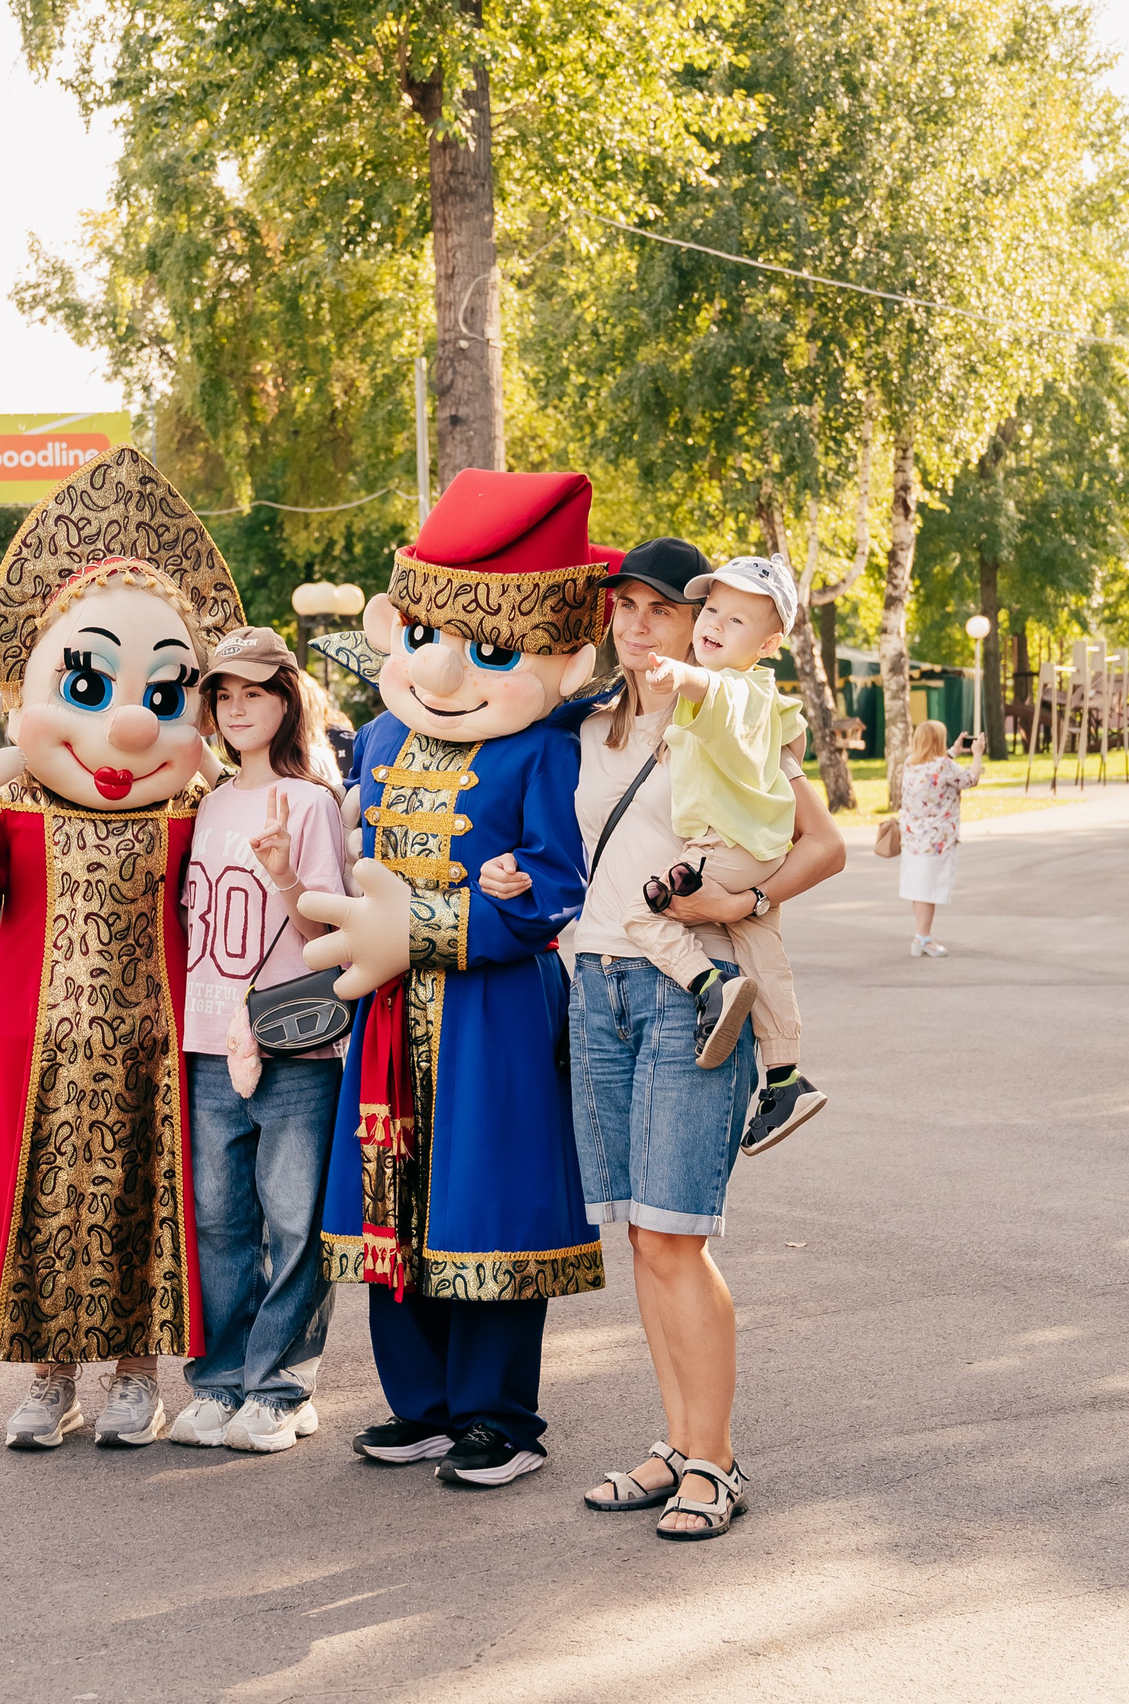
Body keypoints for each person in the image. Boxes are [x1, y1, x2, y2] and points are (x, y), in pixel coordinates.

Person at [0, 448, 247, 1454]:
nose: (130, 723)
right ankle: (52, 1379)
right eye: (87, 682)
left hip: (162, 1049)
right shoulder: (13, 808)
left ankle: (138, 1374)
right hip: (32, 1048)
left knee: (146, 1203)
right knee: (40, 1207)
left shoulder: (201, 808)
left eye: (167, 694)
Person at [302, 468, 609, 1491]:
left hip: (493, 1015)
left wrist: (433, 923)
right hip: (386, 1018)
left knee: (485, 1202)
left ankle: (499, 1418)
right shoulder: (380, 738)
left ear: (561, 660)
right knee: (395, 1198)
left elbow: (552, 894)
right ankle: (420, 1406)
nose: (442, 671)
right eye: (427, 636)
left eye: (487, 651)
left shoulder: (542, 755)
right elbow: (352, 859)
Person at [532, 534, 845, 1538]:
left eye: (657, 609)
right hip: (601, 987)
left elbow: (825, 845)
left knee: (677, 1231)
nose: (635, 623)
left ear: (699, 624)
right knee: (641, 1236)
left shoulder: (734, 719)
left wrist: (742, 895)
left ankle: (714, 1461)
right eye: (621, 606)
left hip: (691, 994)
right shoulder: (587, 729)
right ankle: (674, 1444)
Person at [166, 626, 349, 1455]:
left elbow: (325, 936)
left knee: (294, 1218)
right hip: (208, 1035)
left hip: (293, 1040)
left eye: (255, 694)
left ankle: (281, 1385)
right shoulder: (206, 801)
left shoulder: (309, 802)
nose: (239, 710)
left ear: (286, 702)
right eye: (225, 697)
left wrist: (284, 872)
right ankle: (220, 1378)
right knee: (217, 1221)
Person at [624, 553, 823, 1149]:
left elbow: (715, 693)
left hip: (724, 849)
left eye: (738, 621)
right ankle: (786, 1076)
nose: (715, 623)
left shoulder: (735, 692)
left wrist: (680, 676)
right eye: (711, 609)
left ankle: (708, 988)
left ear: (768, 643)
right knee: (763, 947)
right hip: (758, 851)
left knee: (640, 911)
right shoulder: (766, 696)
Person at [896, 719, 983, 958]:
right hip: (937, 840)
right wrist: (977, 754)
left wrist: (954, 751)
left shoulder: (910, 764)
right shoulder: (944, 766)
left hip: (913, 838)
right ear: (938, 741)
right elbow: (970, 779)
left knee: (918, 888)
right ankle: (923, 938)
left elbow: (935, 767)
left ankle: (921, 934)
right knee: (928, 890)